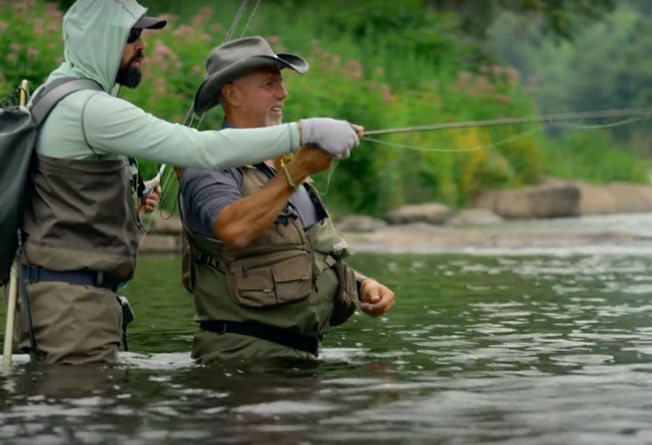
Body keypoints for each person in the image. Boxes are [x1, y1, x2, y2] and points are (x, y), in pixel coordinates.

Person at [14, 0, 362, 365]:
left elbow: (60, 195)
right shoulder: (90, 108)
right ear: (100, 39)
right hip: (72, 305)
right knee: (78, 409)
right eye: (132, 35)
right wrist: (307, 132)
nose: (143, 46)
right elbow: (197, 148)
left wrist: (130, 198)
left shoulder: (56, 93)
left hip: (63, 298)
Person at [179, 37, 395, 363]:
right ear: (231, 93)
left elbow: (301, 252)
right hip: (243, 363)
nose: (283, 94)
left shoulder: (282, 167)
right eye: (269, 84)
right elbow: (233, 228)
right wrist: (297, 171)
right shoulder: (207, 164)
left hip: (299, 360)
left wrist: (361, 283)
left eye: (281, 84)